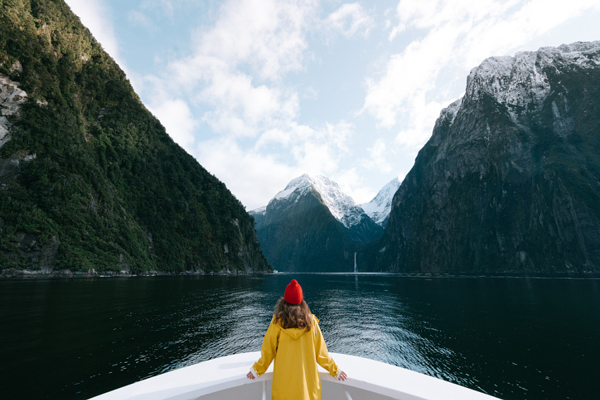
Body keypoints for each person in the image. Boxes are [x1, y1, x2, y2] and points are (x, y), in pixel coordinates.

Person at [247, 279, 347, 399]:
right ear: (301, 302)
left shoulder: (277, 323)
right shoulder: (312, 323)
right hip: (307, 389)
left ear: (284, 301)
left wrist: (256, 370)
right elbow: (321, 355)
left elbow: (268, 352)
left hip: (284, 388)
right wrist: (336, 371)